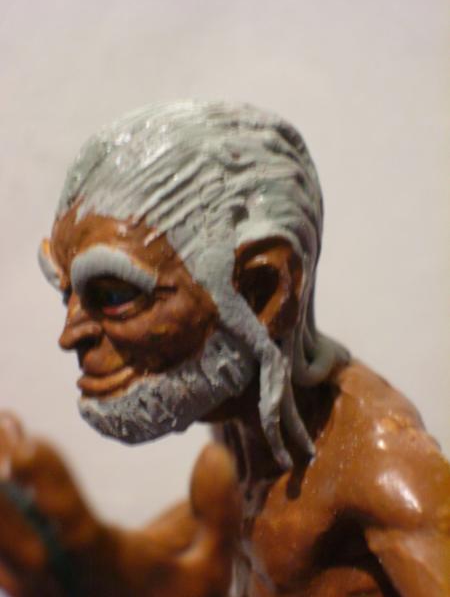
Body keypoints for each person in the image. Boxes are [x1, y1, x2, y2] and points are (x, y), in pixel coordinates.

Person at [1, 102, 448, 596]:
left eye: (113, 295)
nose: (70, 335)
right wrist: (81, 553)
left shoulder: (380, 466)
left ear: (261, 291)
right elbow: (205, 549)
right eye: (66, 292)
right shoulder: (238, 419)